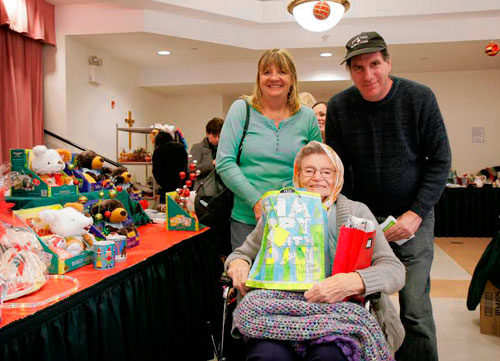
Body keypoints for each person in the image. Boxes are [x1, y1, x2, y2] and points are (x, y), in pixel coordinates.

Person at [325, 31, 451, 361]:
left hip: (413, 218)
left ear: (388, 62)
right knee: (363, 300)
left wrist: (417, 213)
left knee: (414, 307)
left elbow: (440, 160)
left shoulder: (419, 98)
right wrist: (353, 218)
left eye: (375, 64)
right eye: (358, 68)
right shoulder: (339, 106)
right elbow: (340, 171)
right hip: (363, 222)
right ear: (350, 71)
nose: (368, 75)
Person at [225, 141, 405, 360]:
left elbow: (394, 269)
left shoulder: (357, 213)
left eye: (327, 171)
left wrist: (351, 281)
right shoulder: (279, 209)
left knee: (329, 356)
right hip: (278, 311)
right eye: (309, 171)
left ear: (338, 176)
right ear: (297, 176)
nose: (317, 177)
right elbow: (242, 253)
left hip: (336, 311)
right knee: (267, 356)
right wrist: (238, 264)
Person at [216, 48, 322, 251]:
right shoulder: (241, 109)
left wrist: (290, 204)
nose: (274, 78)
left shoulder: (307, 117)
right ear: (259, 78)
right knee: (247, 280)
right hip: (247, 220)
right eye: (267, 72)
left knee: (293, 281)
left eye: (282, 72)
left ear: (292, 78)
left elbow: (318, 167)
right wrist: (257, 202)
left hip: (296, 219)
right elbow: (225, 162)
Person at [152, 129, 188, 203]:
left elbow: (156, 172)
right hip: (181, 186)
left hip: (166, 188)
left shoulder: (158, 151)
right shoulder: (181, 148)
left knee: (167, 211)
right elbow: (186, 166)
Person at [189, 117, 224, 190]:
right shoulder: (197, 147)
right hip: (203, 191)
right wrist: (212, 163)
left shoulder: (224, 148)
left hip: (221, 190)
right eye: (214, 136)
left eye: (220, 136)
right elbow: (191, 170)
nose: (217, 139)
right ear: (207, 134)